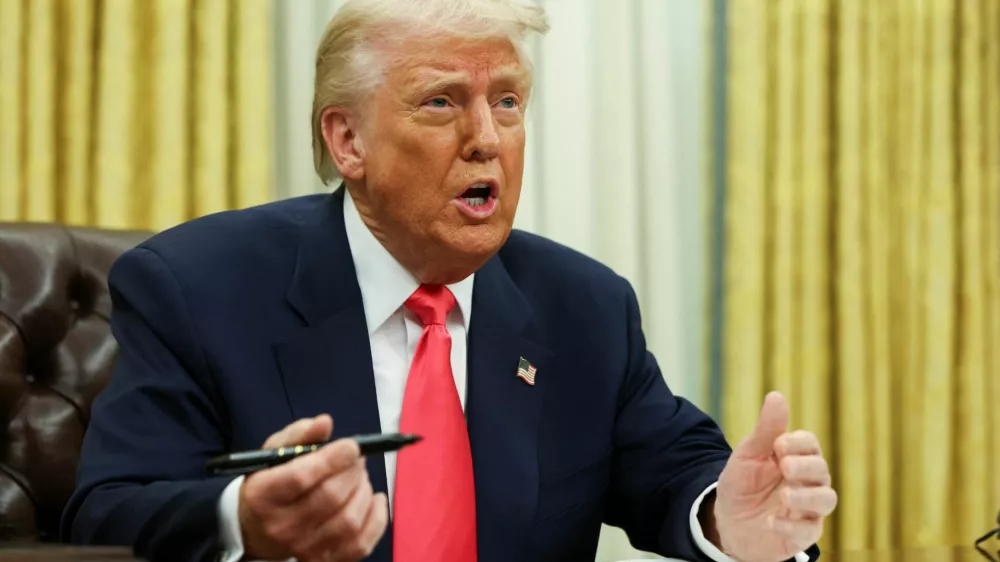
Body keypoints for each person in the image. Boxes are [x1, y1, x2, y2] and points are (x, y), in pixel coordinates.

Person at [62, 0, 837, 561]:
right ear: (348, 139)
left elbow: (678, 473)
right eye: (442, 102)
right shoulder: (198, 287)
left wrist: (727, 521)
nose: (487, 140)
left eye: (508, 101)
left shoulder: (584, 307)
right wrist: (242, 521)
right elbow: (107, 514)